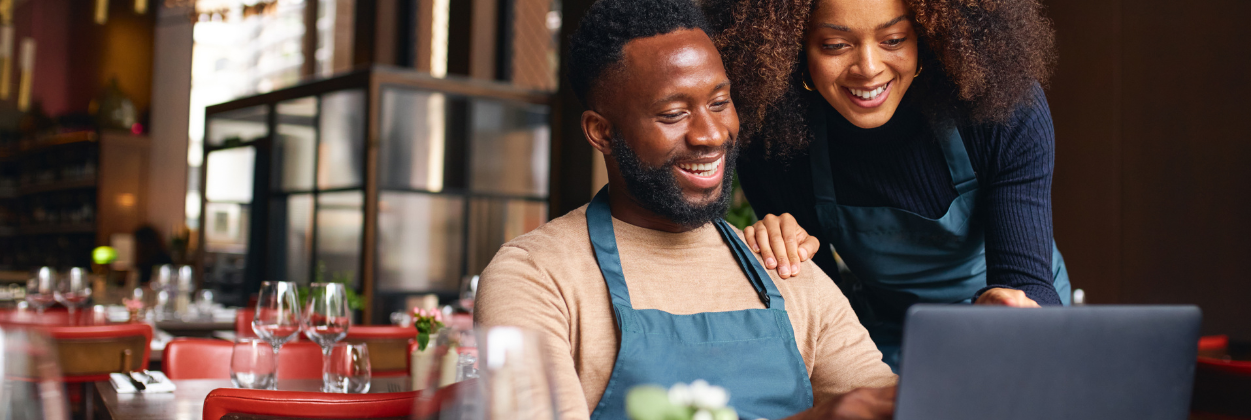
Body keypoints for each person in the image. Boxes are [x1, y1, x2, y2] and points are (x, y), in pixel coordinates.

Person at [474, 0, 896, 419]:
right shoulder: (534, 276)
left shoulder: (785, 269)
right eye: (674, 114)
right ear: (601, 132)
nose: (711, 135)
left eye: (718, 103)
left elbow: (891, 405)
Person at [703, 0, 1071, 370]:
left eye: (894, 39)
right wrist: (783, 252)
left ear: (925, 37)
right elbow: (822, 313)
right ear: (795, 46)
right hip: (886, 331)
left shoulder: (1001, 109)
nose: (869, 68)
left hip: (1010, 317)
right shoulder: (776, 143)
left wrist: (1007, 306)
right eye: (835, 44)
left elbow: (1029, 284)